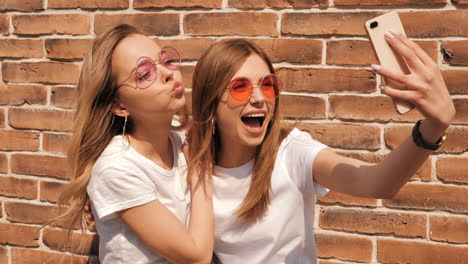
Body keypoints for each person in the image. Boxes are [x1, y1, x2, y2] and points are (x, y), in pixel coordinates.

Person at [187, 33, 455, 263]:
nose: (259, 98)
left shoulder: (291, 152)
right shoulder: (189, 160)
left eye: (267, 85)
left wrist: (433, 127)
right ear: (211, 101)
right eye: (240, 88)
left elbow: (374, 182)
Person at [49, 24, 214, 264]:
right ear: (120, 106)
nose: (168, 74)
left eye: (166, 61)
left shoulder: (181, 140)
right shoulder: (117, 168)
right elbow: (196, 256)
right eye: (144, 74)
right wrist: (201, 168)